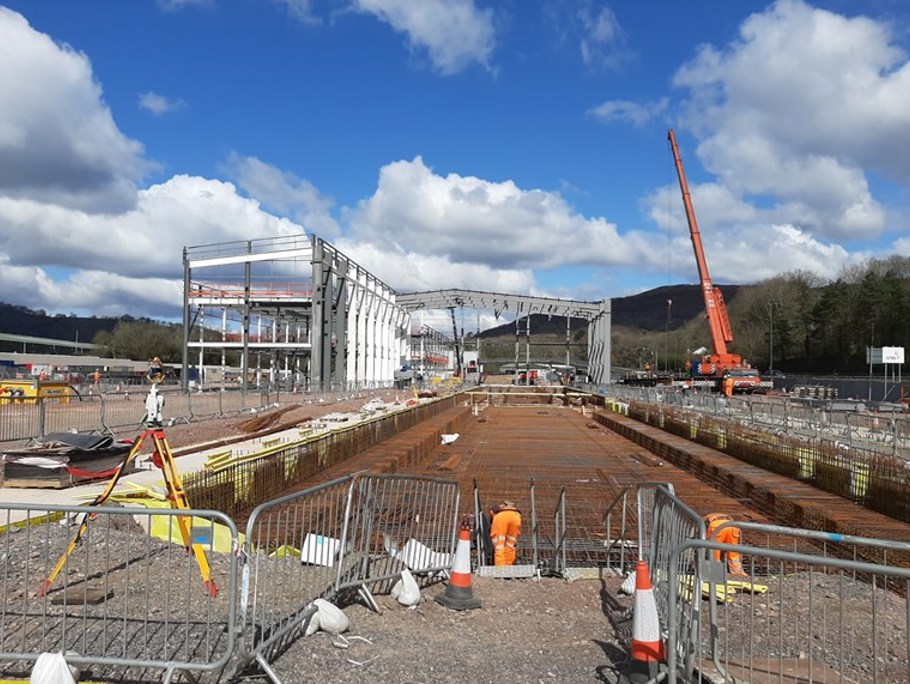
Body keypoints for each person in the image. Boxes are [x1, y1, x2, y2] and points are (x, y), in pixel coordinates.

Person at [704, 512, 747, 578]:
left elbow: (704, 536)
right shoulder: (725, 516)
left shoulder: (704, 520)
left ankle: (716, 573)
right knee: (733, 552)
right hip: (732, 526)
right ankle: (738, 573)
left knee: (715, 552)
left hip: (716, 526)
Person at [490, 500, 522, 566]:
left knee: (499, 545)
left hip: (502, 518)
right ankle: (508, 566)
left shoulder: (498, 515)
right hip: (516, 516)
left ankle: (500, 567)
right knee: (510, 544)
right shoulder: (516, 514)